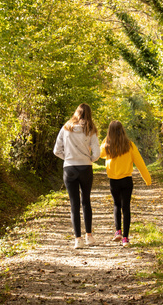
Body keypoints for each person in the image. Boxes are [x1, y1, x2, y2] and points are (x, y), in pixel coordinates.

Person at [53, 103, 100, 249]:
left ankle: (77, 239)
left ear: (76, 112)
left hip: (69, 167)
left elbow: (56, 150)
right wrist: (89, 159)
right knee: (86, 201)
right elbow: (97, 153)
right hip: (85, 167)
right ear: (89, 114)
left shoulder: (66, 127)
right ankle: (89, 237)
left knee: (74, 204)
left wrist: (67, 158)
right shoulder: (91, 129)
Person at [100, 120, 151, 247]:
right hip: (127, 181)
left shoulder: (107, 145)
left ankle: (118, 231)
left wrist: (104, 141)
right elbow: (140, 163)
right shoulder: (130, 145)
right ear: (123, 131)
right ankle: (125, 239)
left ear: (109, 132)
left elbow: (98, 154)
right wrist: (147, 179)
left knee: (117, 205)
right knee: (126, 207)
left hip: (114, 181)